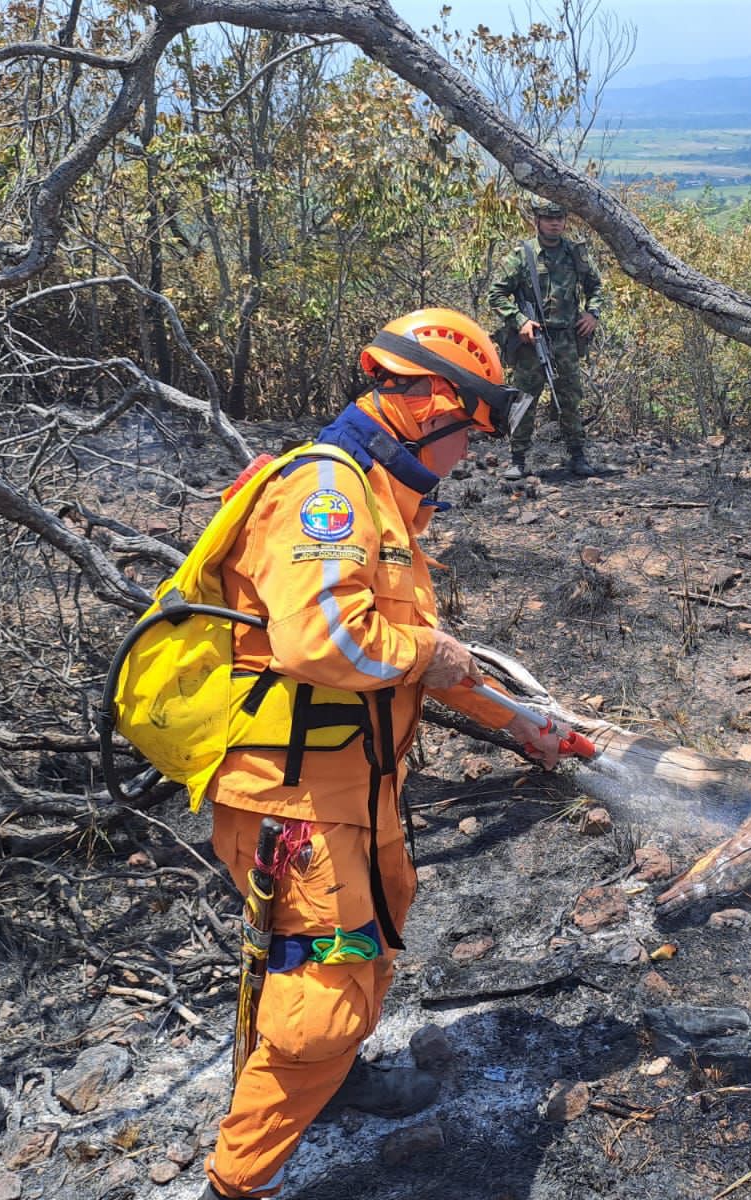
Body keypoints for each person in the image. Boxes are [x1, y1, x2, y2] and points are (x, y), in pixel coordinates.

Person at [196, 308, 561, 1200]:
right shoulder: (326, 492)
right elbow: (328, 642)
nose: (466, 456)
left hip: (357, 792)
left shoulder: (379, 497)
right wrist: (434, 655)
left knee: (371, 930)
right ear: (432, 404)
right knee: (317, 1001)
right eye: (466, 436)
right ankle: (237, 1185)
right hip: (298, 805)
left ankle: (332, 1086)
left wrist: (517, 721)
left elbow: (401, 647)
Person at [486, 196, 606, 480]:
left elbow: (596, 287)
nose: (555, 223)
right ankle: (517, 459)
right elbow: (496, 294)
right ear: (537, 221)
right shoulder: (522, 255)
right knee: (525, 399)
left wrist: (592, 314)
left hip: (566, 338)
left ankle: (577, 455)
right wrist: (520, 321)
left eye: (559, 218)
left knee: (570, 398)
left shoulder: (575, 253)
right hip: (532, 340)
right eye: (549, 218)